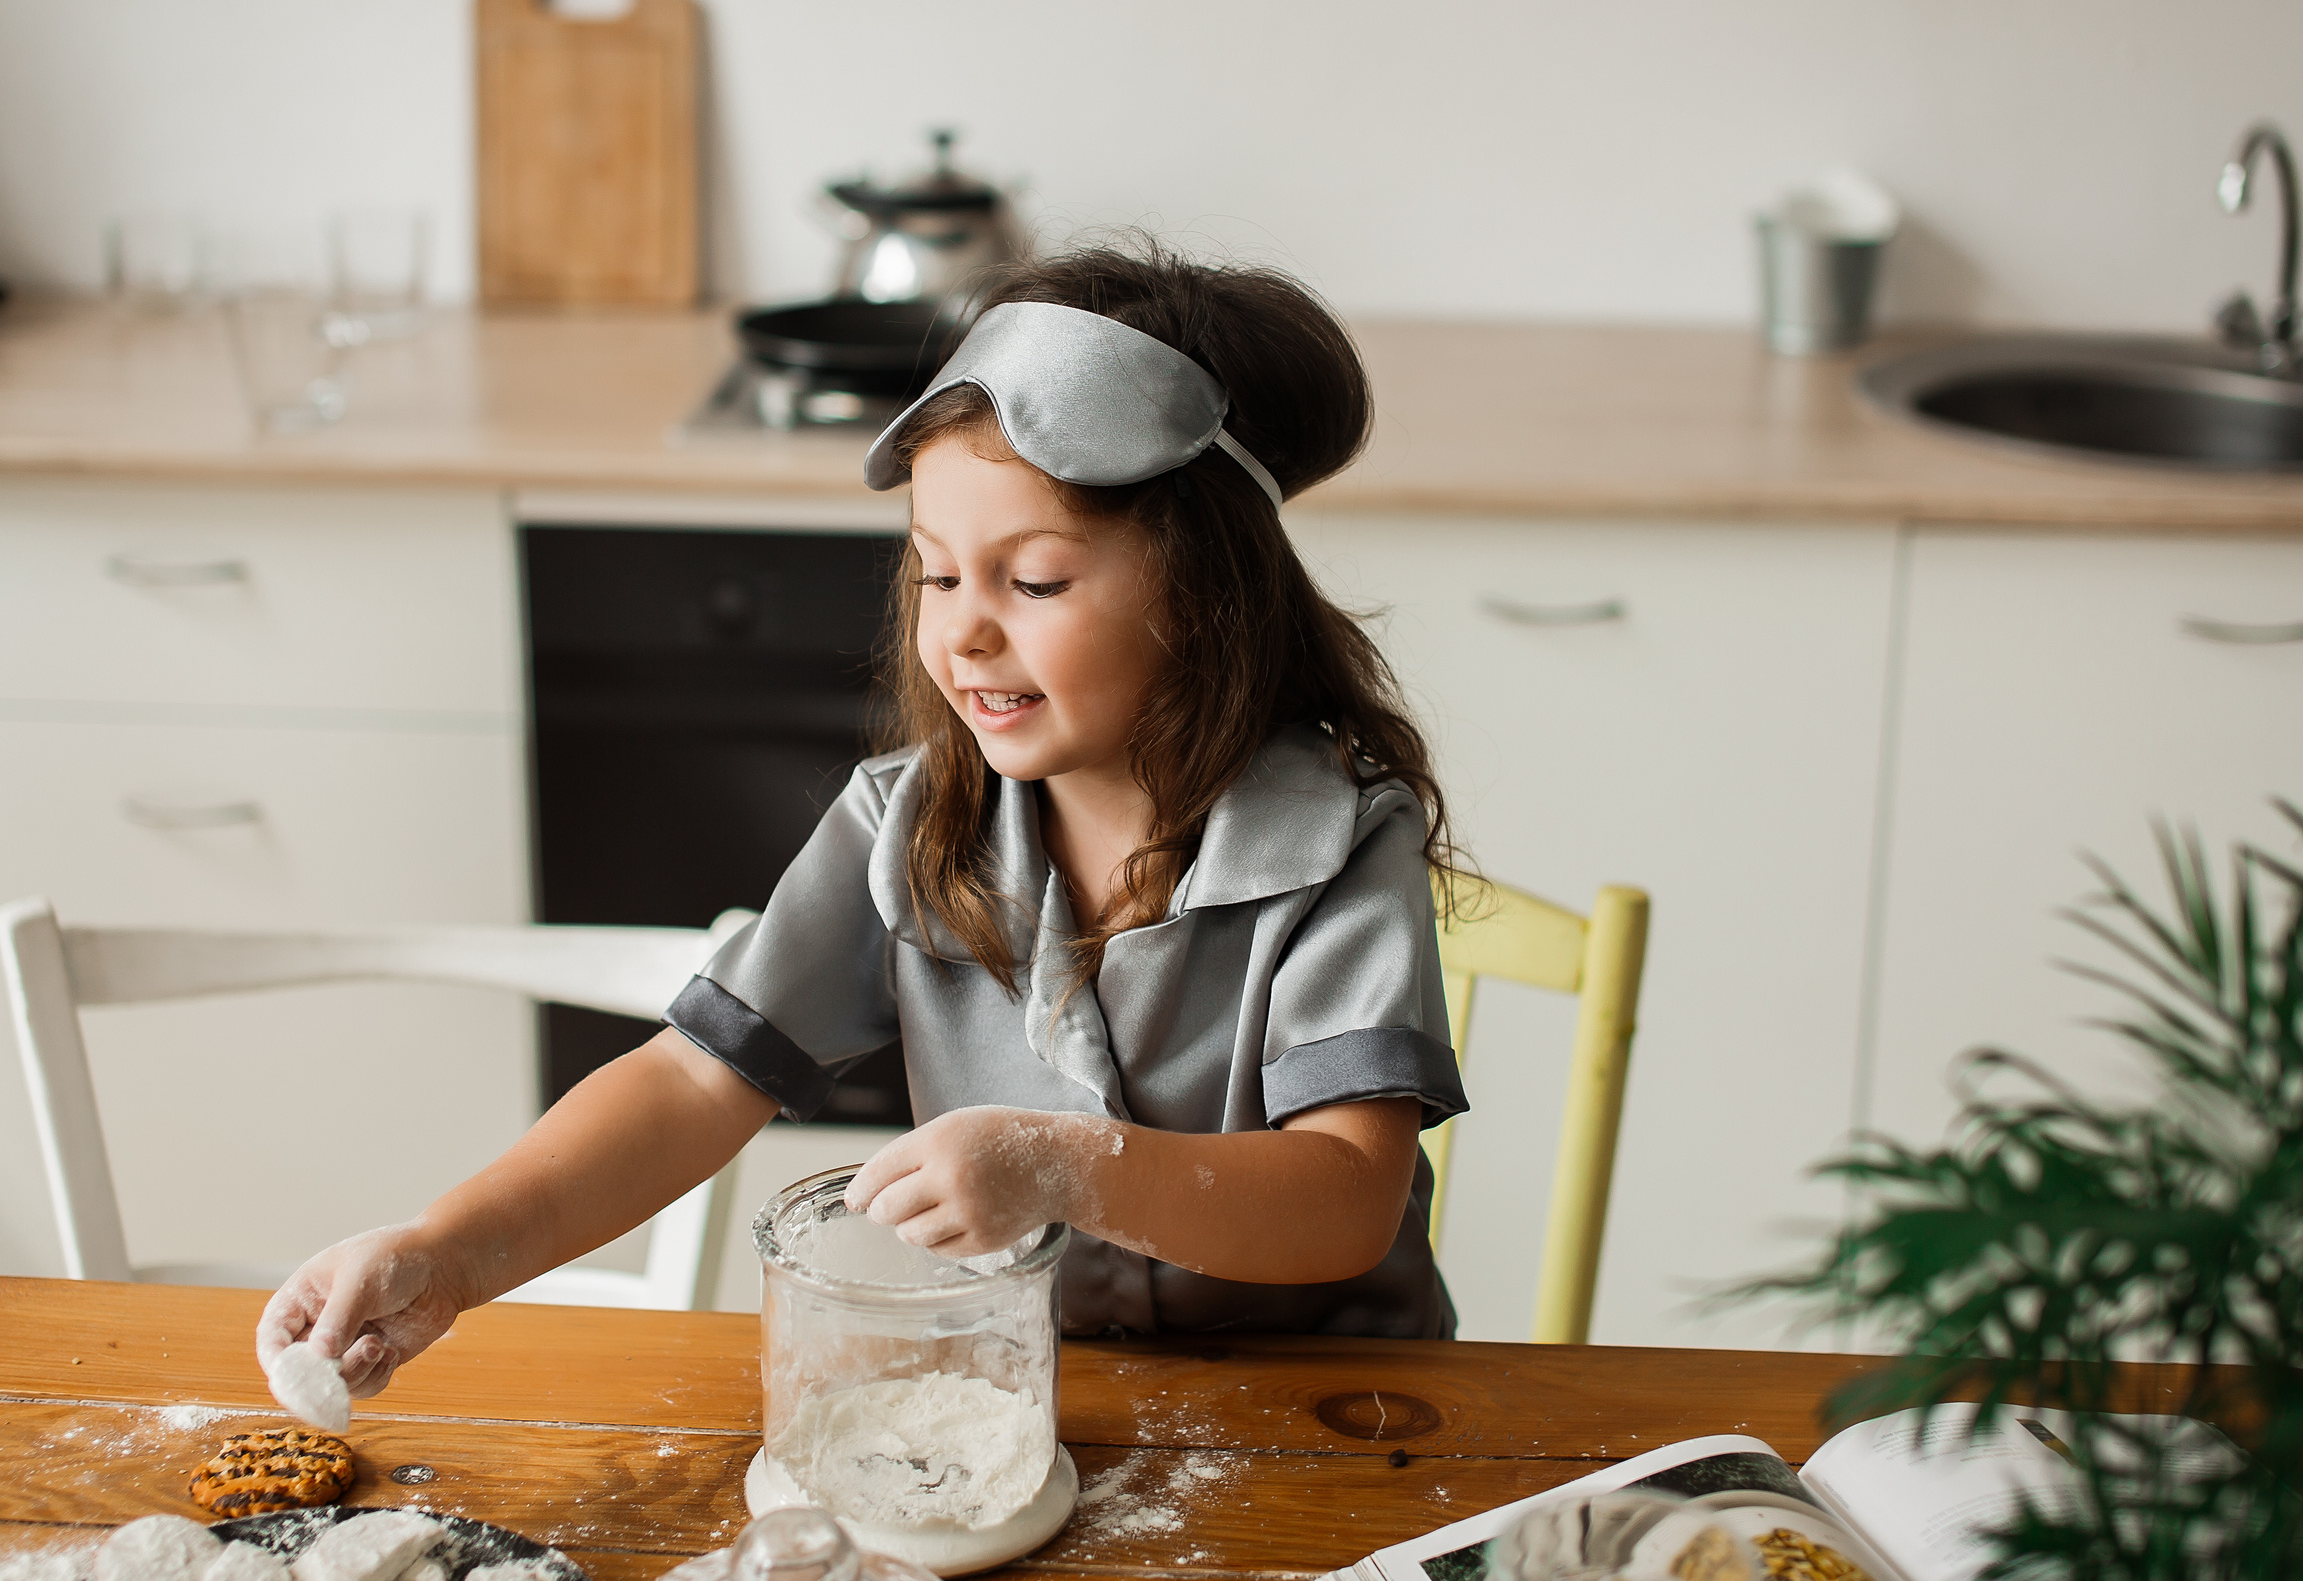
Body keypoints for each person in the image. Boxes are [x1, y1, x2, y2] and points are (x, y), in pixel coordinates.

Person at [257, 242, 1469, 1397]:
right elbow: (693, 1083)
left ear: (1212, 595)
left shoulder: (1339, 844)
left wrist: (1060, 1165)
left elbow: (1344, 1198)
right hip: (1035, 1392)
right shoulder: (909, 823)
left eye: (1033, 580)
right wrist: (448, 1253)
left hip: (1349, 1419)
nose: (963, 631)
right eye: (937, 572)